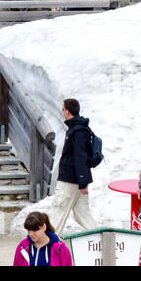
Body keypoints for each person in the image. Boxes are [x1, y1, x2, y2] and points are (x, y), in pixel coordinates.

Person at [51, 97, 100, 233]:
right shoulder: (80, 129)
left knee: (58, 213)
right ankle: (102, 241)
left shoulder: (78, 131)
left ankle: (49, 247)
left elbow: (80, 157)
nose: (62, 112)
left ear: (67, 111)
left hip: (70, 180)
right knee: (82, 215)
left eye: (63, 109)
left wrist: (83, 183)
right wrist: (83, 183)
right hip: (78, 180)